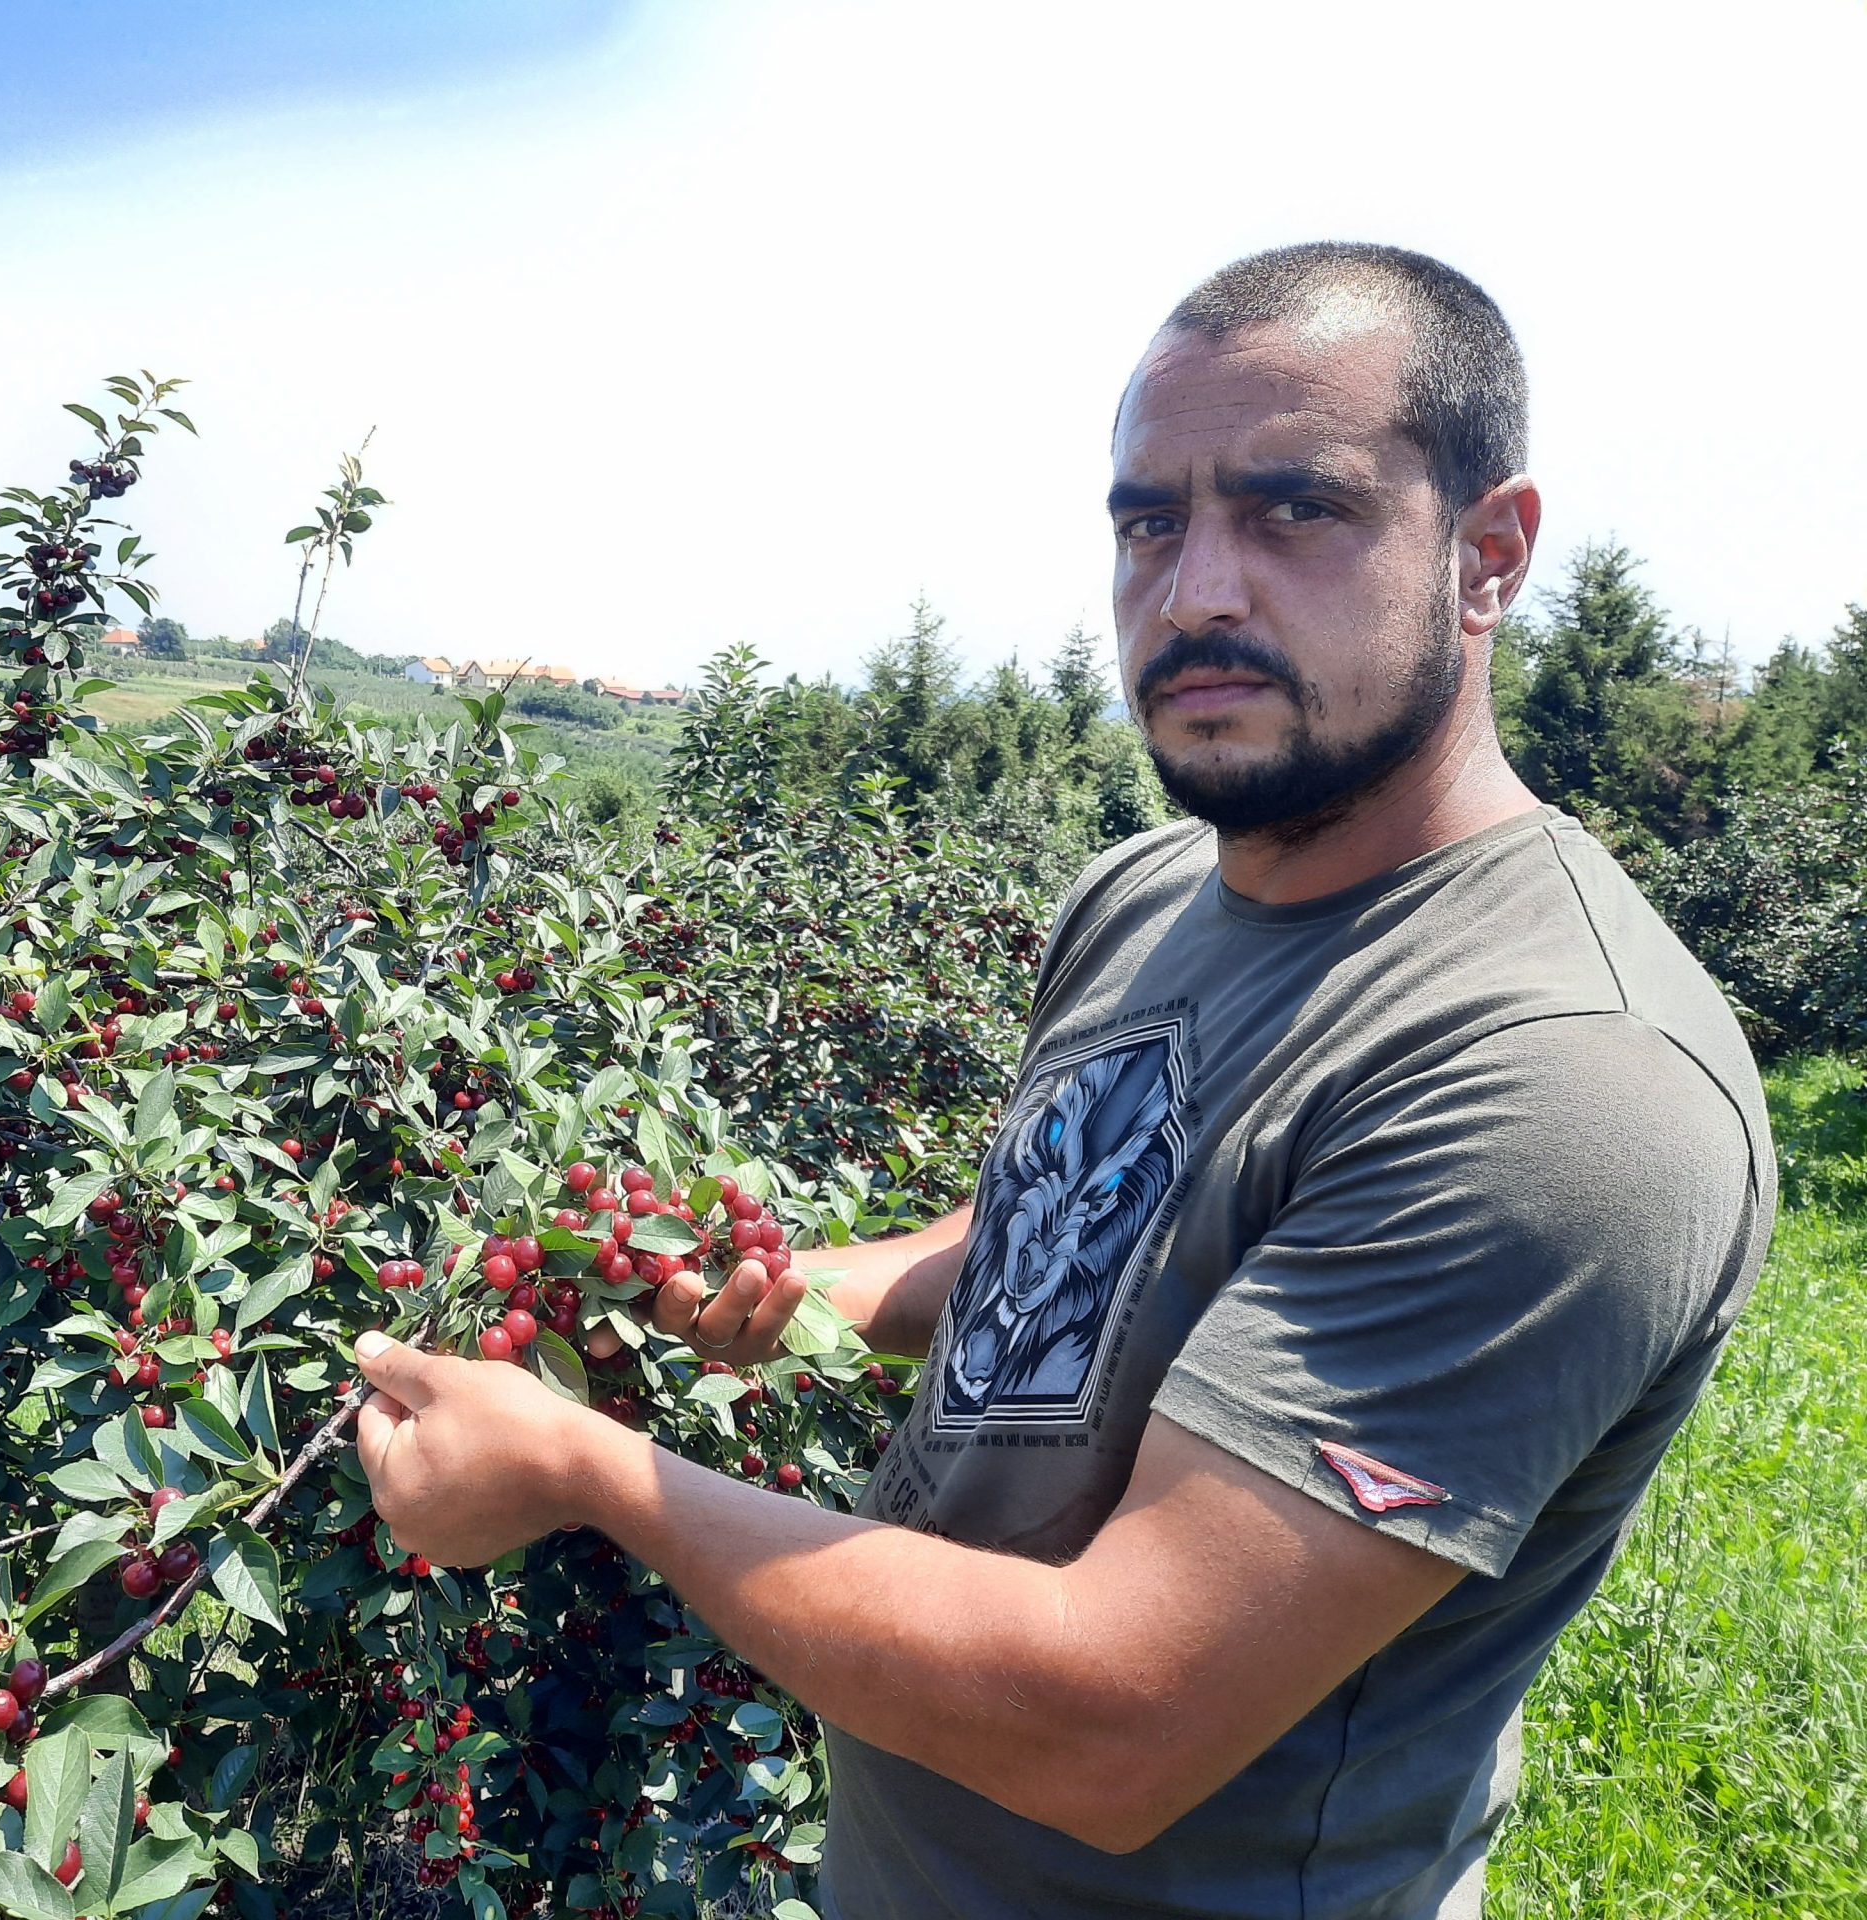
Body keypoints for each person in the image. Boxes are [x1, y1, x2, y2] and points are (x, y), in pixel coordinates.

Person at [350, 241, 1775, 1919]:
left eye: (1296, 509)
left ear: (1490, 554)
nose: (1198, 592)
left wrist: (587, 1473)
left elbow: (1113, 1722)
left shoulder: (1563, 1082)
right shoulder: (1147, 896)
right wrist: (784, 1293)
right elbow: (1060, 1241)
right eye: (1150, 522)